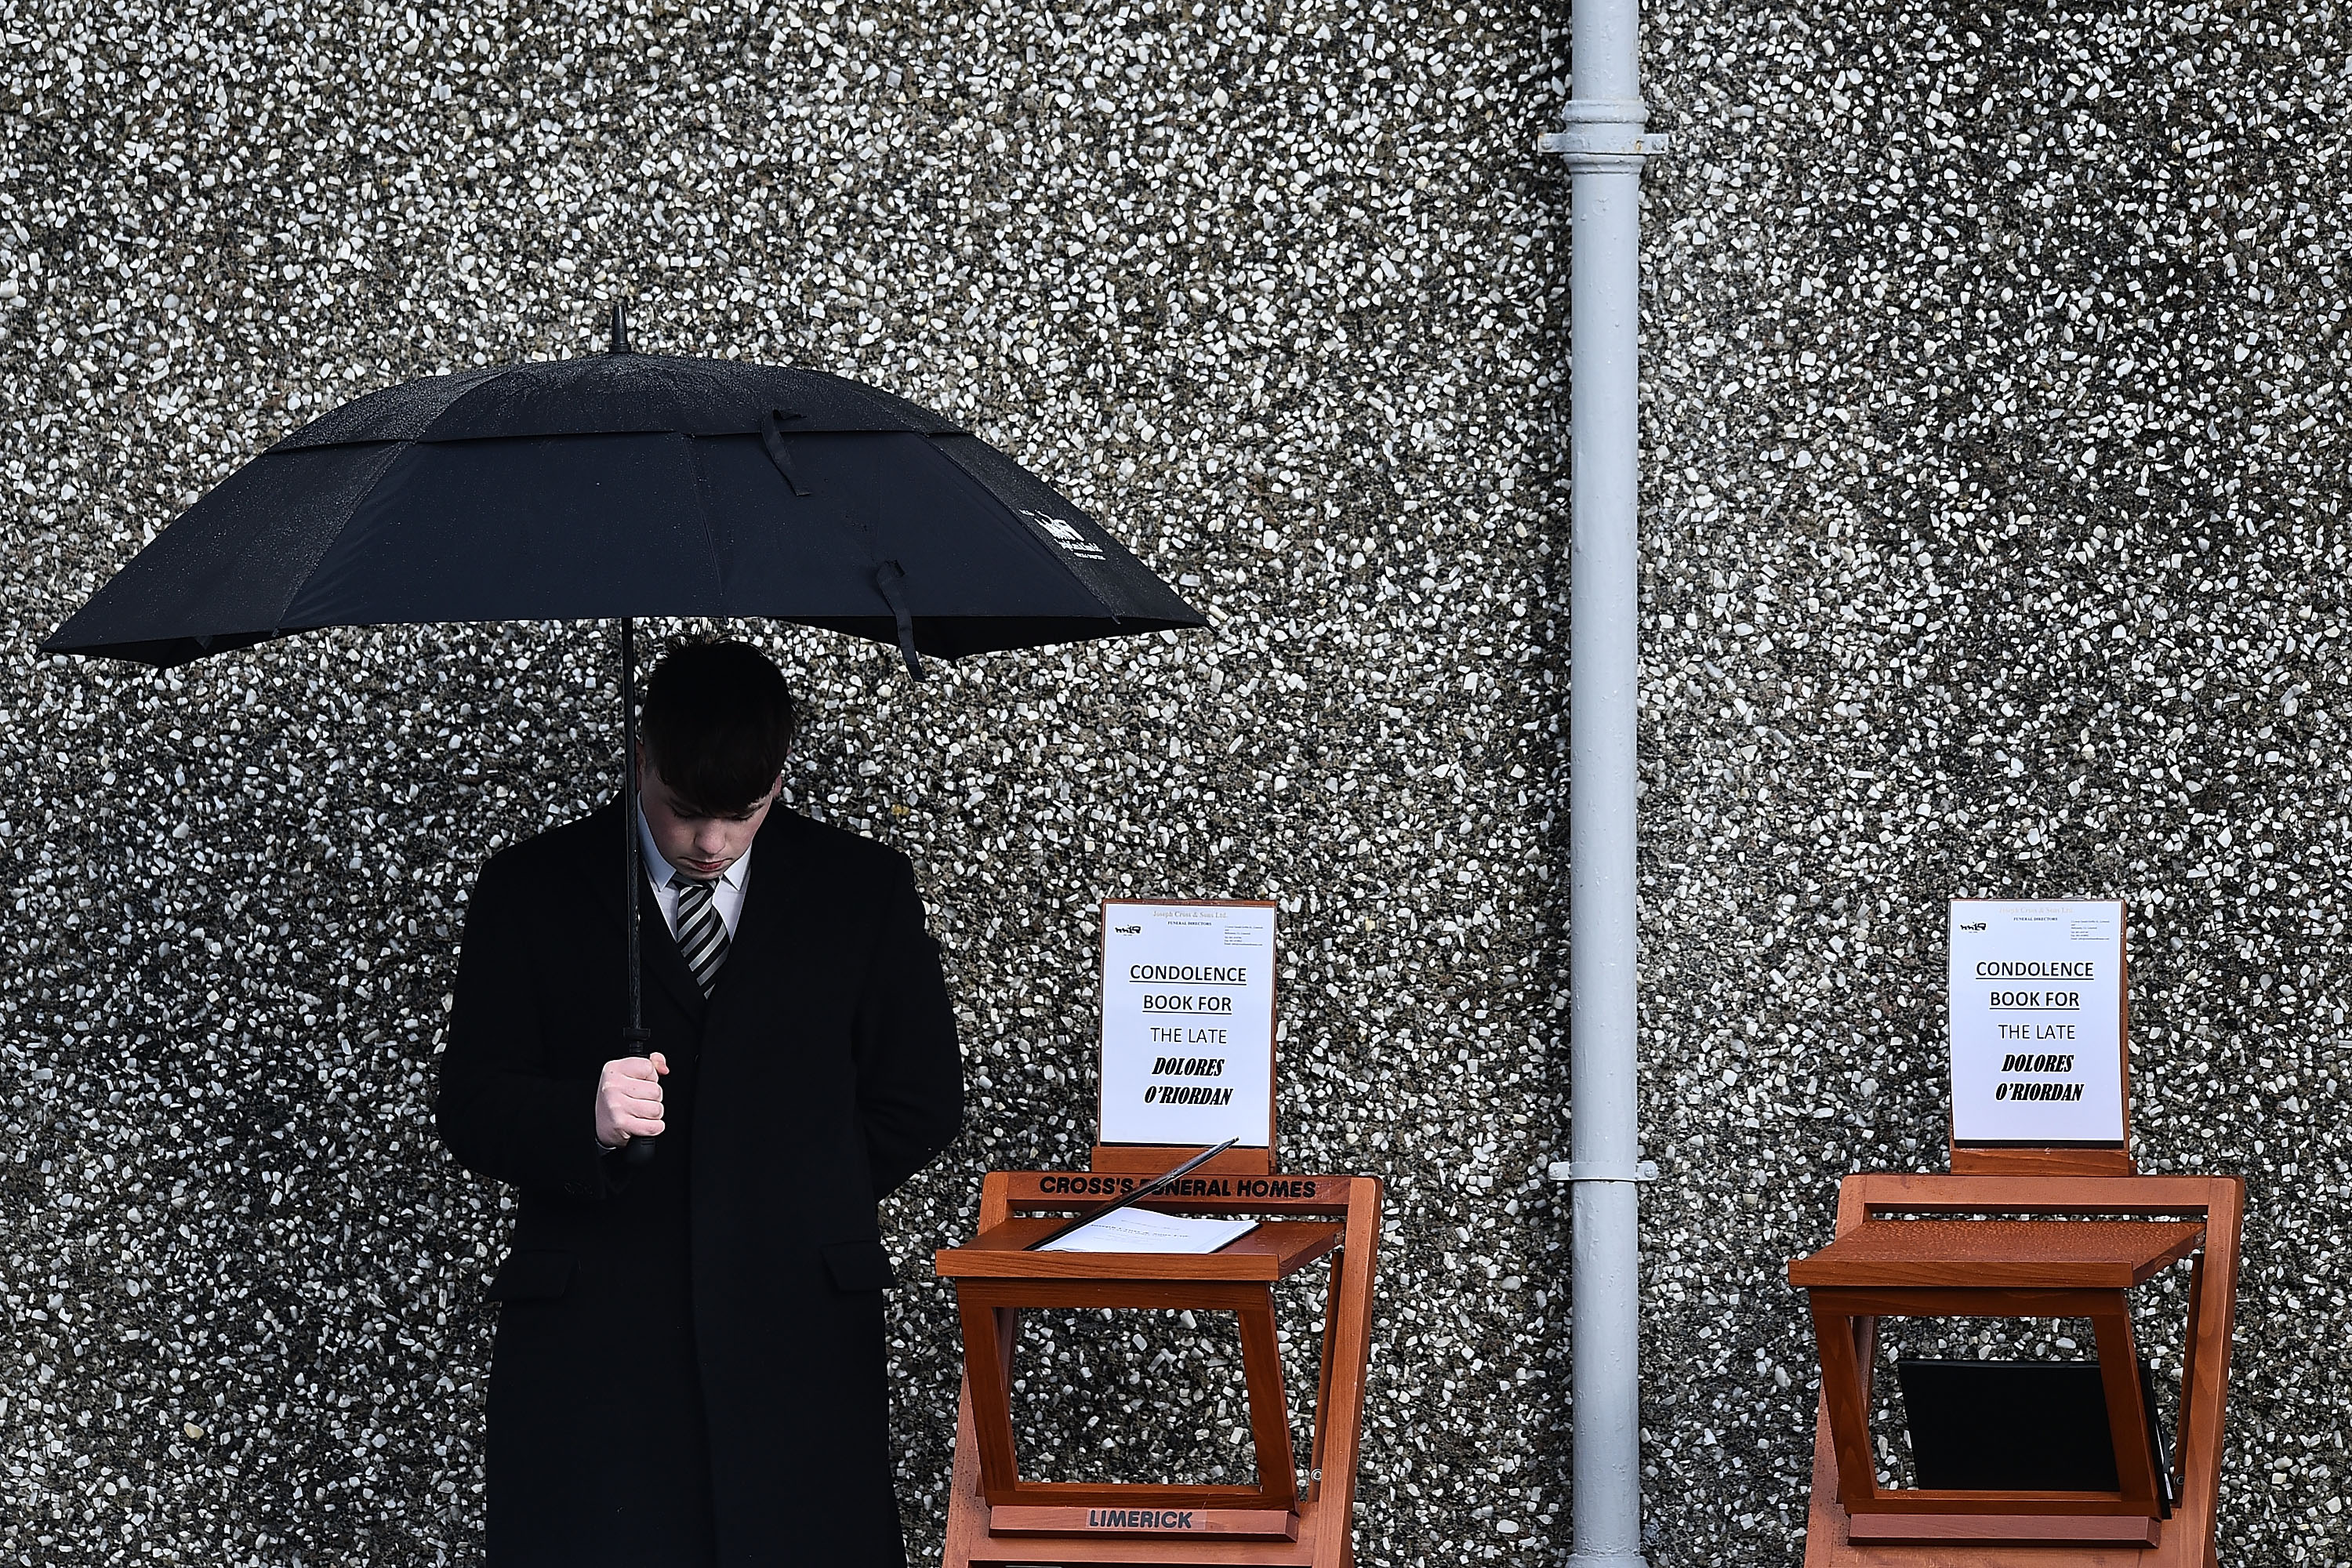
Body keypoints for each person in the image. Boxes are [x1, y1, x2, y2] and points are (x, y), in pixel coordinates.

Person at [437, 637, 964, 1567]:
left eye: (743, 812)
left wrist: (792, 1182)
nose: (711, 842)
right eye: (684, 812)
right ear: (641, 756)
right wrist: (583, 1118)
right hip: (597, 1335)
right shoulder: (533, 888)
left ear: (782, 776)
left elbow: (920, 1098)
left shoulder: (861, 888)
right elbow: (471, 1102)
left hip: (795, 1327)